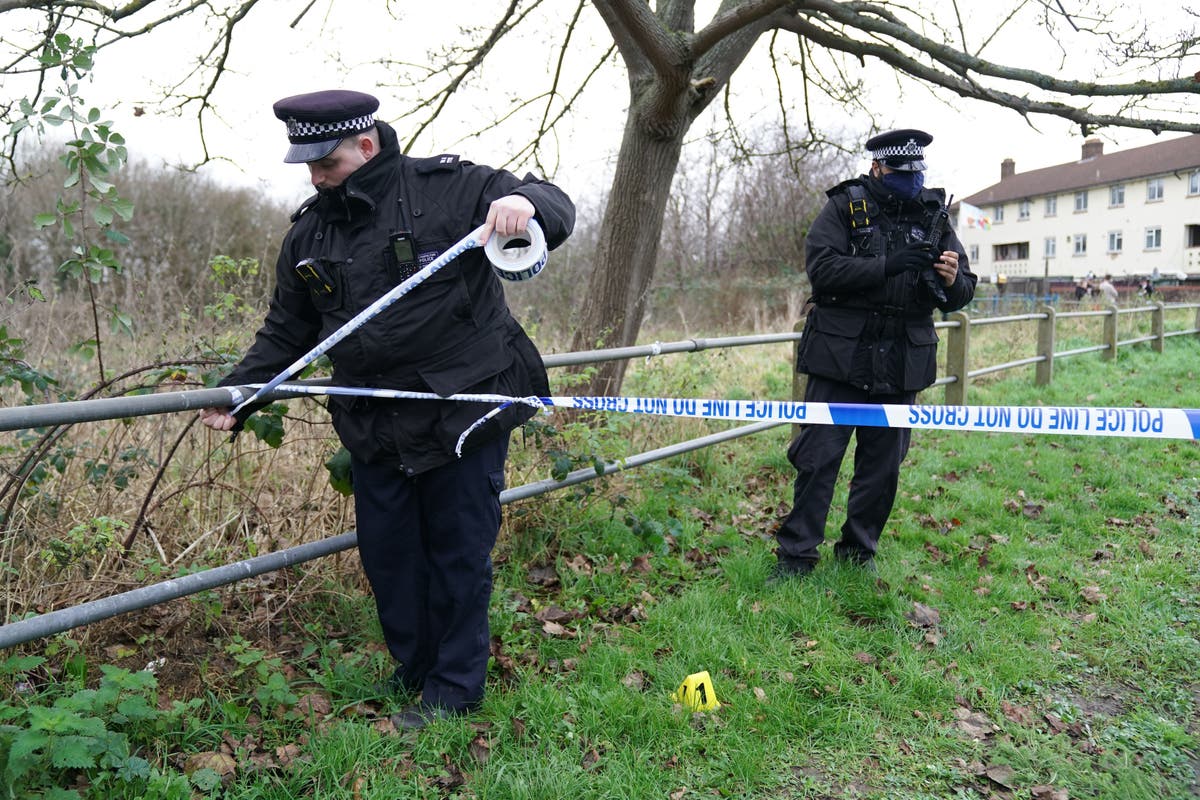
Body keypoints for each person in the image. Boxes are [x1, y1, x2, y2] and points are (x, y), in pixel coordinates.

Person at [199, 90, 575, 729]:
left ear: (365, 147)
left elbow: (555, 207)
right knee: (390, 555)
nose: (315, 177)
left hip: (464, 408)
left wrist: (525, 204)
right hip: (374, 424)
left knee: (457, 551)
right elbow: (288, 331)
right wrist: (242, 391)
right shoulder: (309, 235)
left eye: (326, 163)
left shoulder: (450, 191)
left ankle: (454, 692)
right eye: (308, 167)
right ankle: (415, 670)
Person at [772, 129, 977, 579]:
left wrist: (949, 279)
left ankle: (858, 553)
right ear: (878, 168)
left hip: (902, 360)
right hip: (840, 357)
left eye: (916, 173)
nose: (910, 181)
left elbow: (963, 290)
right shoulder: (845, 207)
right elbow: (822, 270)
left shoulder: (934, 215)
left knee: (883, 466)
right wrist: (888, 265)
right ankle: (796, 556)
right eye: (901, 173)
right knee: (817, 458)